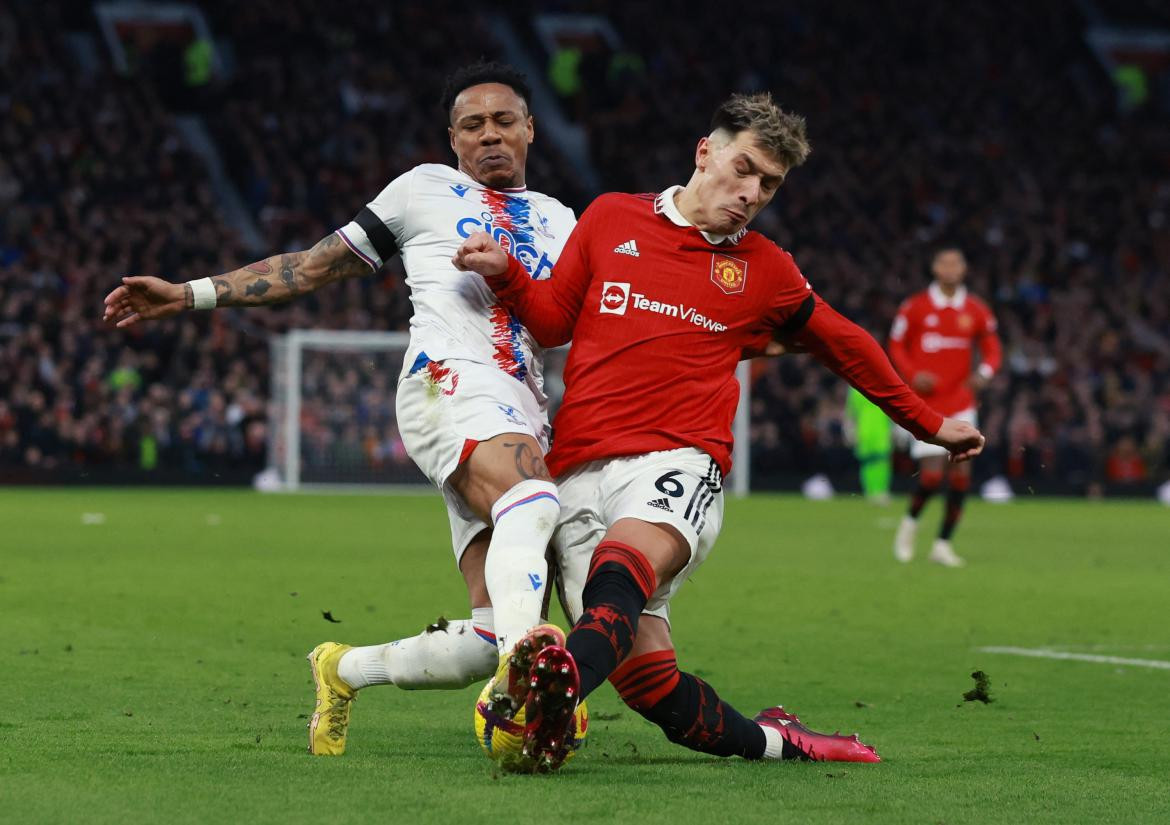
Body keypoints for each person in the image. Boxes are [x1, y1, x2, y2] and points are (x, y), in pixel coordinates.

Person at [454, 91, 985, 770]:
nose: (752, 192)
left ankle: (540, 708)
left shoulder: (764, 267)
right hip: (579, 467)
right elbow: (556, 318)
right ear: (705, 152)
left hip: (679, 458)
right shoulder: (612, 216)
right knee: (650, 686)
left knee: (622, 573)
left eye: (769, 183)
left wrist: (930, 422)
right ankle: (784, 741)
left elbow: (843, 341)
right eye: (745, 168)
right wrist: (506, 277)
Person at [102, 61, 579, 755]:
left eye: (504, 121)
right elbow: (315, 265)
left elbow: (577, 325)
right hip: (446, 382)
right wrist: (188, 293)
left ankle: (344, 668)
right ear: (453, 138)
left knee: (484, 630)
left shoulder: (563, 220)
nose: (490, 136)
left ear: (531, 129)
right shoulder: (422, 190)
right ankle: (526, 685)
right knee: (532, 501)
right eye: (472, 125)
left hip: (522, 405)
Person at [888, 246, 1001, 566]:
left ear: (963, 269)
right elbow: (896, 345)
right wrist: (911, 374)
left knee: (962, 477)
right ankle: (909, 525)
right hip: (926, 404)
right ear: (934, 268)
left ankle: (942, 545)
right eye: (944, 263)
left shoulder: (976, 310)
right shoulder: (916, 307)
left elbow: (993, 350)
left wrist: (984, 373)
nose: (950, 269)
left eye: (956, 263)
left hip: (961, 402)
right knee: (932, 479)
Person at [845, 387, 893, 503]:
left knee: (875, 462)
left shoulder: (854, 388)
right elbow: (851, 412)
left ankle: (875, 492)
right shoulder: (876, 383)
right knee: (875, 462)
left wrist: (849, 430)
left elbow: (851, 412)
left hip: (870, 429)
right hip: (875, 429)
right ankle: (876, 492)